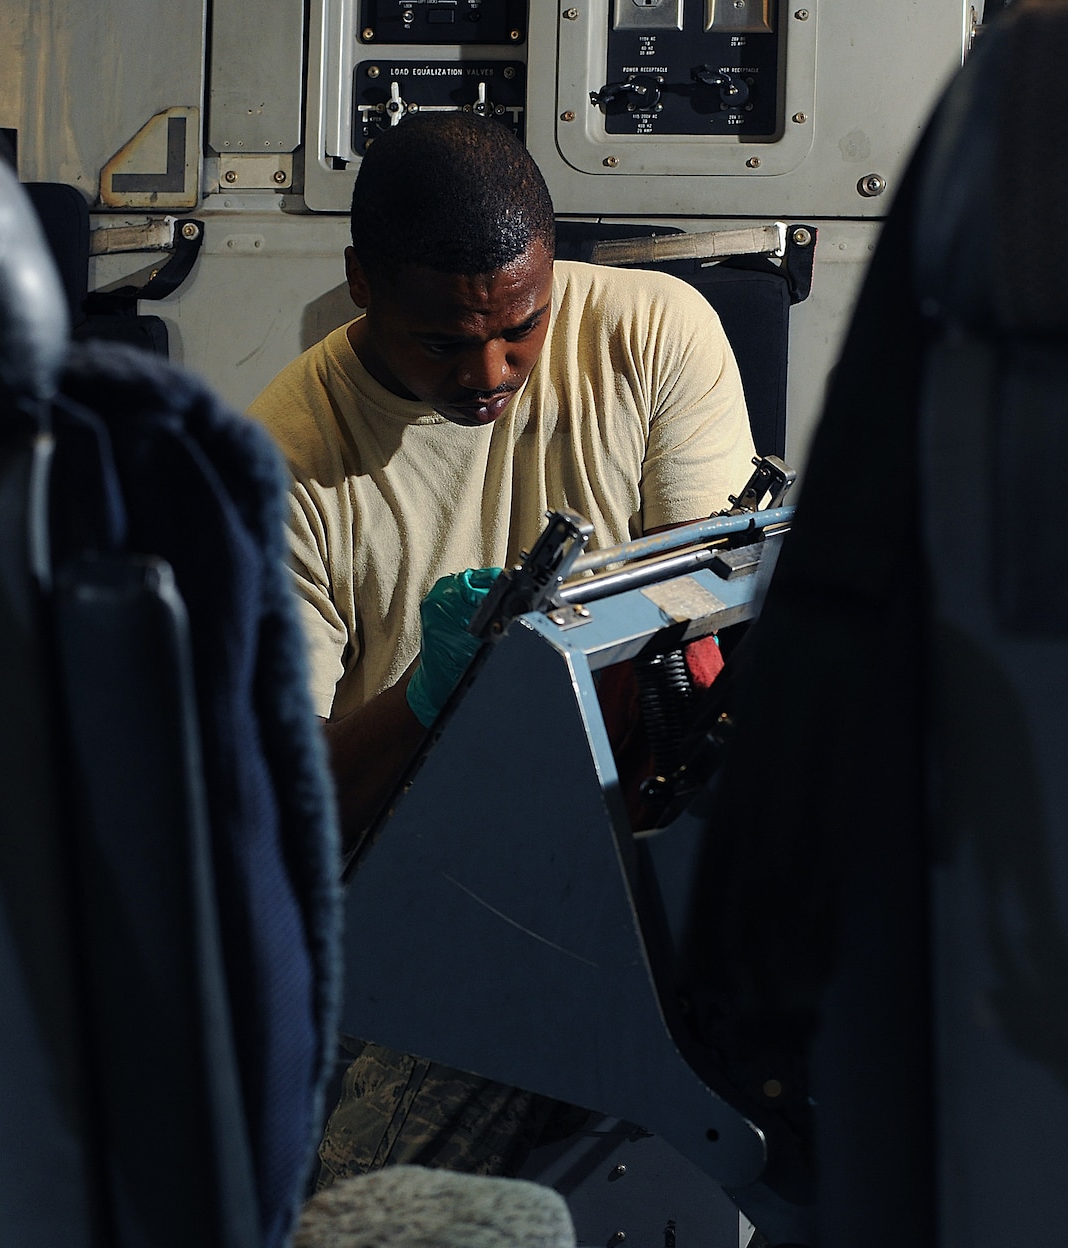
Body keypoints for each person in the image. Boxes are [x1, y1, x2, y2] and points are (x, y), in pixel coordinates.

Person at [248, 112, 756, 1188]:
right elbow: (283, 817)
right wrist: (434, 697)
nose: (490, 368)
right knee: (355, 1220)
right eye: (442, 338)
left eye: (519, 325)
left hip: (653, 863)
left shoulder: (653, 334)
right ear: (361, 287)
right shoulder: (278, 467)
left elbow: (720, 628)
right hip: (442, 904)